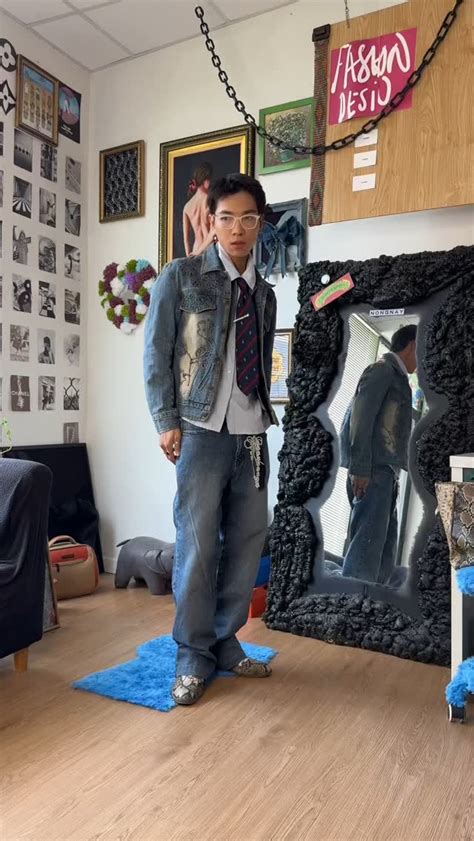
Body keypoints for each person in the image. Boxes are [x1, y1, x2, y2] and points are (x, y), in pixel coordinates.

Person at [144, 173, 278, 706]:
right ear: (212, 222)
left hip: (252, 432)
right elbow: (157, 351)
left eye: (248, 218)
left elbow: (258, 360)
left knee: (246, 543)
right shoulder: (181, 276)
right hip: (200, 429)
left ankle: (225, 642)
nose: (237, 228)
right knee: (198, 546)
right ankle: (191, 654)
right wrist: (165, 419)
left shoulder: (264, 292)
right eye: (226, 218)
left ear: (260, 224)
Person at [339, 324, 417, 585]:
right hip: (373, 470)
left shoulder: (396, 375)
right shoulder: (383, 370)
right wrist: (361, 469)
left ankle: (373, 605)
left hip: (384, 471)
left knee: (383, 553)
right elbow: (361, 418)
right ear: (413, 345)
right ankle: (351, 607)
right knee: (365, 554)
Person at [182, 162, 213, 256]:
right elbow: (213, 232)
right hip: (210, 250)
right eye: (209, 178)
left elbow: (186, 239)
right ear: (203, 179)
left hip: (196, 250)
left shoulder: (187, 206)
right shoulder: (212, 201)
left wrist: (189, 257)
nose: (211, 181)